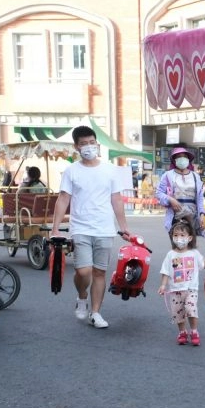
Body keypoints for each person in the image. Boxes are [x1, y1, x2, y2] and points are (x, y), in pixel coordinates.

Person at [50, 124, 132, 329]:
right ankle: (82, 296)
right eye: (84, 143)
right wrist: (55, 228)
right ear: (76, 147)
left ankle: (95, 312)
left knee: (99, 273)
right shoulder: (71, 171)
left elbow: (117, 200)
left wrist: (123, 227)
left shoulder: (110, 170)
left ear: (97, 143)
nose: (89, 146)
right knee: (84, 271)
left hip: (105, 228)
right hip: (81, 228)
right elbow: (63, 199)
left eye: (92, 142)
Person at [157, 218, 205, 346]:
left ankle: (194, 331)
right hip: (175, 290)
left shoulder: (194, 253)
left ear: (189, 238)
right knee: (178, 312)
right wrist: (163, 285)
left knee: (191, 308)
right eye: (176, 235)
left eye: (182, 235)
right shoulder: (170, 255)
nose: (179, 238)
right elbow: (165, 271)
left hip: (190, 289)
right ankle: (182, 332)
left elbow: (203, 265)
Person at [155, 147, 205, 235]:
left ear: (188, 159)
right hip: (175, 218)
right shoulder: (167, 175)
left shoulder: (195, 176)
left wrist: (202, 214)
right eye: (178, 156)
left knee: (191, 246)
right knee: (178, 245)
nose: (182, 159)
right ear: (174, 160)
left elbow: (200, 197)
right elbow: (159, 193)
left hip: (192, 218)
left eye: (184, 156)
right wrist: (170, 199)